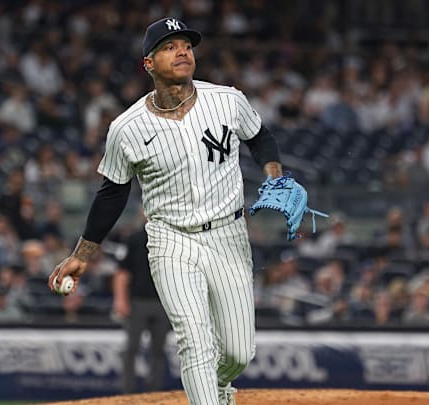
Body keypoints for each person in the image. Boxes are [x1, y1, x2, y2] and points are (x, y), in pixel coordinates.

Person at [50, 17, 285, 405]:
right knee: (194, 340)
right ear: (148, 63)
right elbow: (112, 194)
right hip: (170, 240)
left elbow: (260, 137)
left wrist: (273, 174)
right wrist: (81, 256)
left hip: (229, 236)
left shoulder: (227, 100)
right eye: (169, 46)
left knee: (238, 352)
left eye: (187, 46)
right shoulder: (126, 127)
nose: (182, 51)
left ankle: (221, 388)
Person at [112, 223, 171, 393]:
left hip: (163, 302)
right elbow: (122, 272)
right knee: (132, 348)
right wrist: (120, 300)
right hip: (137, 301)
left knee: (158, 349)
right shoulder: (134, 238)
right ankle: (128, 392)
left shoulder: (171, 238)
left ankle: (154, 392)